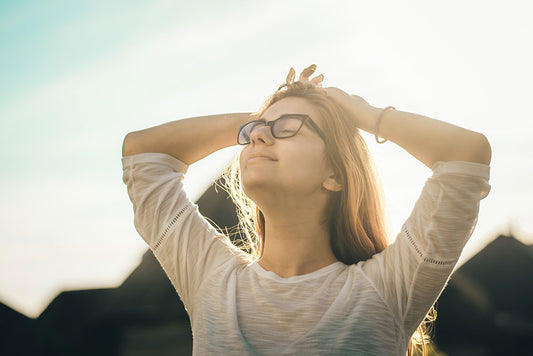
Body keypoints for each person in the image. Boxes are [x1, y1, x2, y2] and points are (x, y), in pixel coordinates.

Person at [121, 65, 491, 355]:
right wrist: (259, 117)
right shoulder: (212, 279)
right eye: (254, 132)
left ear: (335, 174)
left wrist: (362, 114)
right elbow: (142, 152)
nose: (259, 136)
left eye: (288, 128)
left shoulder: (386, 288)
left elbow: (466, 155)